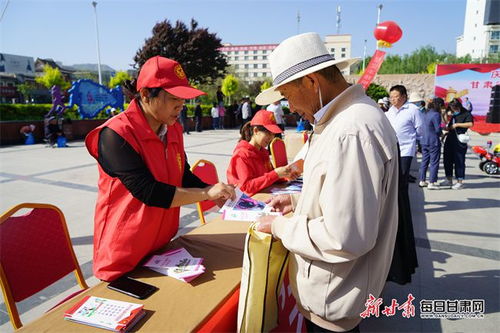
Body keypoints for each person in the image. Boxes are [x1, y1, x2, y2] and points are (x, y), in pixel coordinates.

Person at [254, 32, 399, 332]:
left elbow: (345, 236)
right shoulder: (343, 119)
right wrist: (296, 201)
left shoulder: (350, 130)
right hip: (339, 293)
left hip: (334, 298)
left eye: (287, 95)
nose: (290, 107)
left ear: (311, 82)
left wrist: (280, 227)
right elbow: (342, 197)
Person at [85, 56, 235, 281]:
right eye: (174, 97)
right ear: (145, 95)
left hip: (162, 251)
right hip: (123, 255)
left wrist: (214, 190)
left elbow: (182, 175)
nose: (181, 105)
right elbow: (149, 192)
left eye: (183, 98)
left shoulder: (172, 128)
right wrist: (205, 193)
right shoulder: (116, 134)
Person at [226, 110, 298, 196]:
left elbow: (268, 178)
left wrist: (284, 175)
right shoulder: (241, 155)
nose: (271, 138)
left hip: (262, 194)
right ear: (256, 131)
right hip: (245, 200)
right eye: (268, 133)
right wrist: (276, 174)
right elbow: (246, 188)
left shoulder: (263, 152)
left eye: (273, 134)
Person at [386, 85, 423, 184]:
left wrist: (416, 142)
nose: (393, 99)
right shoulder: (390, 111)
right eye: (391, 97)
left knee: (402, 177)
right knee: (394, 179)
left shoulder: (413, 110)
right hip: (392, 149)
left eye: (396, 96)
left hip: (405, 149)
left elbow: (420, 128)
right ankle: (397, 199)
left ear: (404, 96)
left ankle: (404, 200)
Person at [440, 98, 473, 189]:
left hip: (459, 140)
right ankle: (449, 179)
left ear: (458, 106)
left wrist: (458, 125)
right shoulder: (454, 114)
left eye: (453, 107)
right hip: (450, 138)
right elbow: (450, 125)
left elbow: (470, 124)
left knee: (459, 160)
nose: (452, 109)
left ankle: (460, 181)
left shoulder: (466, 113)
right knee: (447, 159)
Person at [418, 98, 443, 190]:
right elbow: (437, 130)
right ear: (439, 105)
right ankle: (431, 182)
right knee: (434, 162)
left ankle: (422, 180)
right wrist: (442, 133)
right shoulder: (436, 115)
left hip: (424, 140)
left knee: (424, 161)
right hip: (433, 141)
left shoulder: (425, 113)